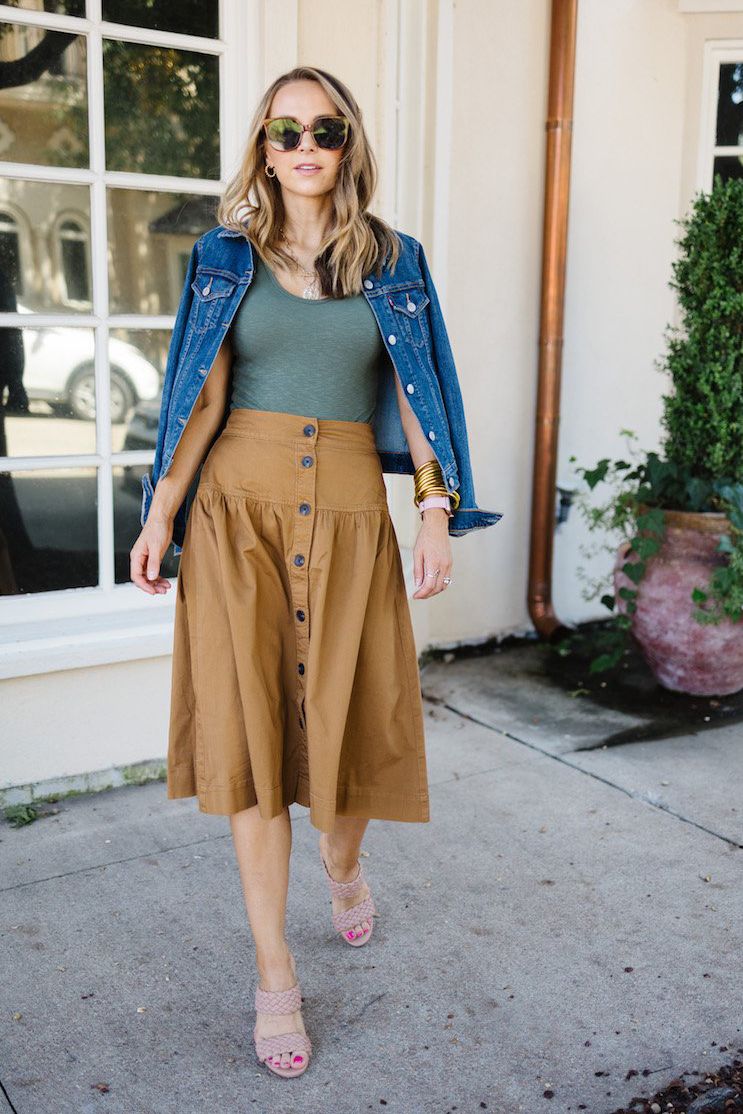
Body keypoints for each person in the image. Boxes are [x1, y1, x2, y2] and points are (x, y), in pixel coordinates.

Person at [130, 65, 494, 1080]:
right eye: (284, 130)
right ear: (262, 145)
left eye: (323, 130)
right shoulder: (222, 257)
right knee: (252, 747)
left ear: (347, 143)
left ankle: (343, 859)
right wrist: (159, 512)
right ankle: (274, 975)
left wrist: (434, 510)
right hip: (233, 515)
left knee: (350, 736)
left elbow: (419, 391)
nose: (304, 147)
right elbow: (200, 398)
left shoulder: (393, 259)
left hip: (348, 515)